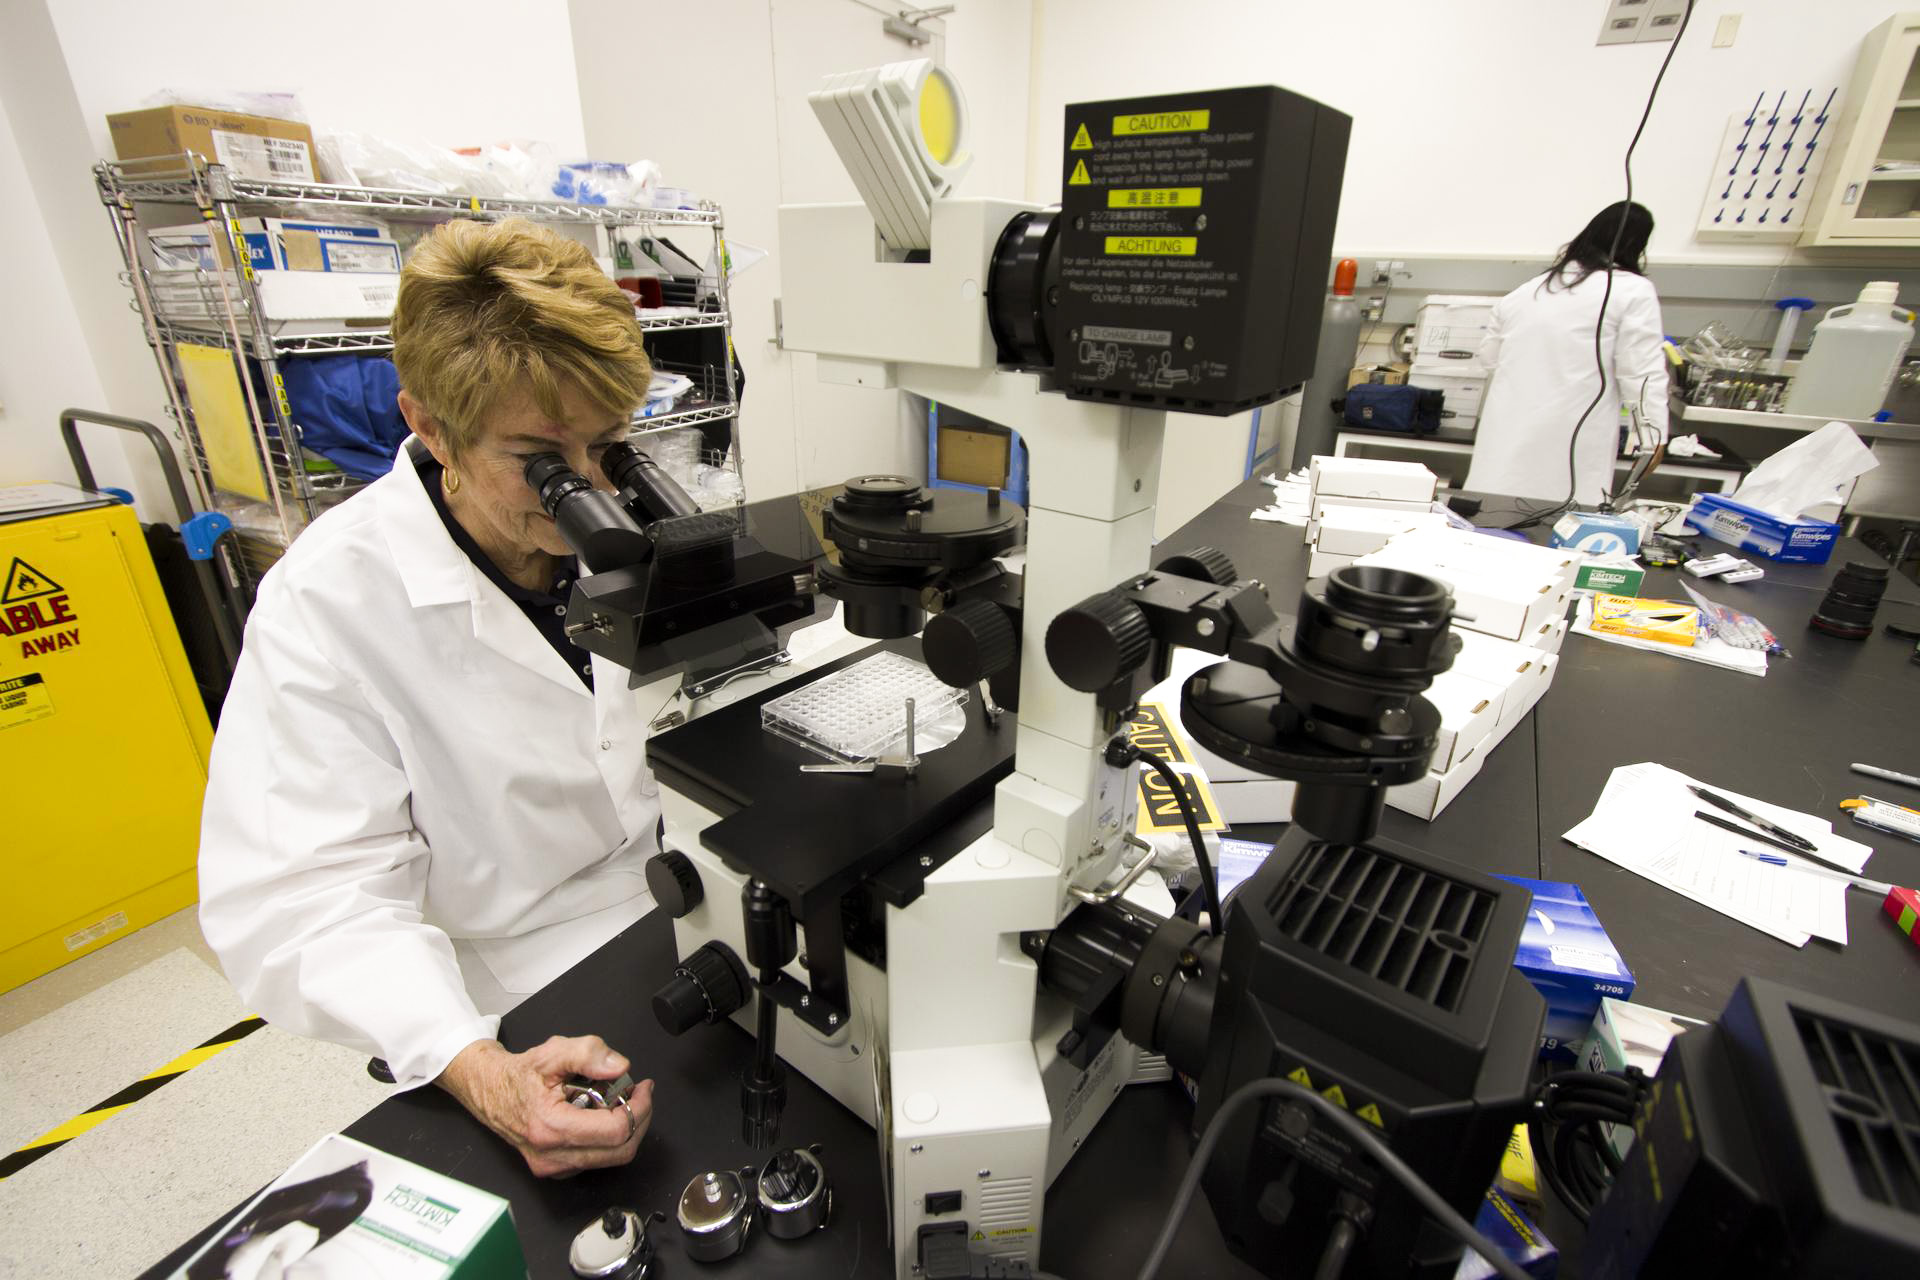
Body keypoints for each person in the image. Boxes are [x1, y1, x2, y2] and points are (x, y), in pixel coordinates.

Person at [199, 217, 662, 1177]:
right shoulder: (327, 600)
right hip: (515, 973)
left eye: (607, 445)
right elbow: (305, 899)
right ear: (430, 426)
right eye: (539, 459)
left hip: (682, 895)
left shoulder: (630, 509)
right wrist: (482, 1069)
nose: (588, 490)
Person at [1465, 201, 1669, 505]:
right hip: (1571, 450)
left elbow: (1489, 359)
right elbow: (1641, 373)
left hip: (1503, 446)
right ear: (1637, 246)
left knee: (1490, 526)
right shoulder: (1631, 290)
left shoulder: (1524, 292)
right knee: (1558, 532)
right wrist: (1653, 439)